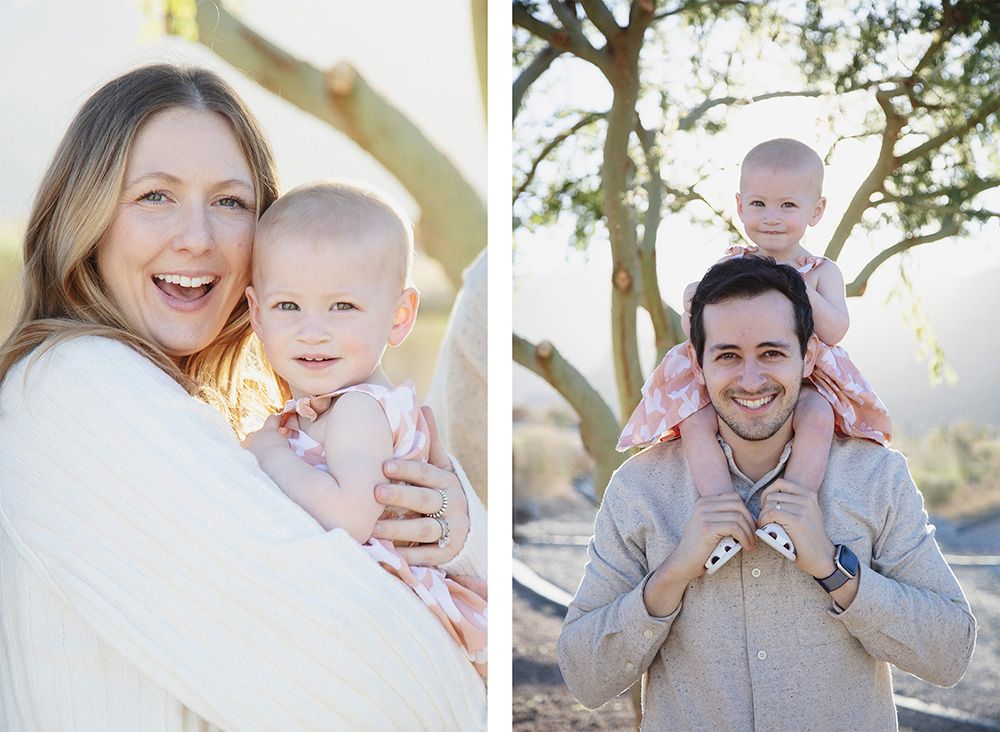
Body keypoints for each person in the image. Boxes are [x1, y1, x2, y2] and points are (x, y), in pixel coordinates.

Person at [0, 64, 486, 731]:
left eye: (230, 202)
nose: (197, 238)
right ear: (88, 214)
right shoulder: (79, 385)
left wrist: (454, 533)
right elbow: (367, 680)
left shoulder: (221, 407)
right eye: (155, 196)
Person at [558, 255, 975, 730]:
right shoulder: (638, 489)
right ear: (697, 363)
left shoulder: (877, 477)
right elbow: (584, 679)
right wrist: (672, 574)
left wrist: (834, 570)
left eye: (772, 353)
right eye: (728, 355)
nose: (751, 380)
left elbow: (951, 654)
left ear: (808, 357)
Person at [241, 179, 487, 678]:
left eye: (343, 306)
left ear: (399, 317)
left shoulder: (358, 409)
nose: (313, 331)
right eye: (288, 306)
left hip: (382, 630)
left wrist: (270, 453)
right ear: (257, 315)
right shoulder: (331, 408)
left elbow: (348, 516)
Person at [618, 138, 891, 573]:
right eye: (759, 204)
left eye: (788, 205)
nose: (771, 217)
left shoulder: (821, 271)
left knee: (817, 416)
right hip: (747, 372)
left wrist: (791, 283)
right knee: (695, 419)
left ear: (816, 211)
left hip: (804, 377)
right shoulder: (733, 262)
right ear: (740, 207)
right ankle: (720, 509)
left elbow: (836, 329)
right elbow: (703, 319)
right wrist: (692, 299)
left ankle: (791, 510)